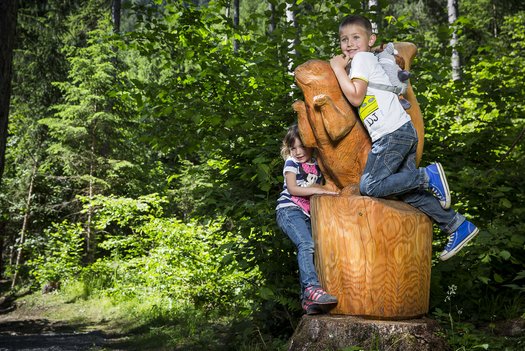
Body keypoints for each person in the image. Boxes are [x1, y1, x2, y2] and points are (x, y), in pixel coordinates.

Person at [329, 14, 478, 261]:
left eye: (356, 37)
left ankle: (426, 176)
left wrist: (336, 67)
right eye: (344, 39)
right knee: (408, 192)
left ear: (370, 39)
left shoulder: (363, 59)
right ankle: (456, 225)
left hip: (392, 134)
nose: (349, 43)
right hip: (401, 131)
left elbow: (355, 96)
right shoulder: (367, 59)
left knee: (370, 186)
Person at [276, 124, 339, 314]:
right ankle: (312, 288)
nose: (298, 151)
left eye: (302, 146)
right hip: (289, 210)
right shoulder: (291, 162)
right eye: (293, 147)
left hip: (306, 214)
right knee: (306, 244)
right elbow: (293, 189)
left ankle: (307, 301)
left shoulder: (317, 164)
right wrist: (319, 189)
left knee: (313, 249)